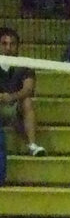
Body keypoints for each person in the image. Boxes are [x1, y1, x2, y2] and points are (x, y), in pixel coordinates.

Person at [0, 27, 46, 159]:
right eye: (4, 44)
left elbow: (28, 89)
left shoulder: (24, 66)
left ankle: (32, 145)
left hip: (13, 108)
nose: (8, 48)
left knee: (27, 101)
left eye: (12, 44)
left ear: (18, 47)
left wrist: (10, 97)